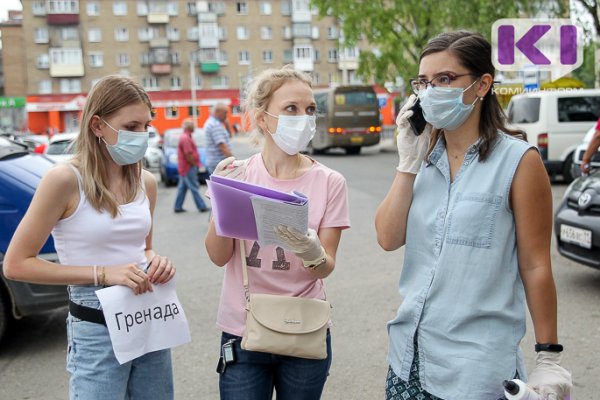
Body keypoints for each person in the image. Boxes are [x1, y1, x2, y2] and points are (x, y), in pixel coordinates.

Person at [375, 32, 572, 400]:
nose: (430, 92)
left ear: (483, 85)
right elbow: (387, 238)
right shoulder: (423, 159)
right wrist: (407, 164)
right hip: (408, 359)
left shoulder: (519, 162)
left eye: (445, 79)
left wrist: (549, 355)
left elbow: (535, 265)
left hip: (475, 368)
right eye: (424, 82)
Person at [3, 75, 176, 400]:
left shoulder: (146, 182)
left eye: (146, 126)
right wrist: (102, 273)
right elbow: (15, 265)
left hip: (149, 315)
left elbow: (145, 248)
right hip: (96, 324)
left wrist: (157, 263)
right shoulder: (64, 180)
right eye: (132, 126)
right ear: (97, 125)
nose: (142, 136)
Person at [204, 66, 350, 400]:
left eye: (310, 110)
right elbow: (217, 256)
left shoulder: (330, 182)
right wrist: (223, 195)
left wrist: (311, 250)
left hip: (305, 326)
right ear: (262, 118)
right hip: (243, 329)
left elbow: (327, 265)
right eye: (291, 109)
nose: (304, 118)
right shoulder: (238, 173)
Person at [173, 118, 210, 213]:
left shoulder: (186, 136)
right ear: (189, 127)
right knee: (194, 186)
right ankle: (201, 206)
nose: (194, 127)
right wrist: (196, 164)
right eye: (193, 125)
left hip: (184, 167)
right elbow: (188, 155)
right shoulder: (185, 138)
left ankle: (178, 206)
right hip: (188, 167)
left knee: (182, 188)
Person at [205, 103, 233, 174]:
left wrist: (227, 124)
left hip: (216, 163)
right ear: (217, 112)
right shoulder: (215, 125)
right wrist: (233, 161)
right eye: (225, 113)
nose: (226, 115)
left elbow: (229, 137)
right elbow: (223, 146)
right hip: (219, 164)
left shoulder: (213, 122)